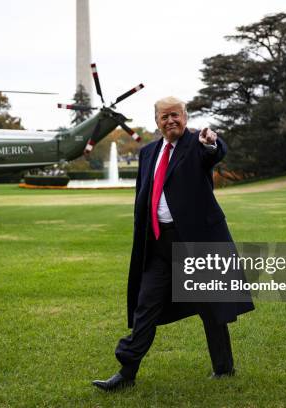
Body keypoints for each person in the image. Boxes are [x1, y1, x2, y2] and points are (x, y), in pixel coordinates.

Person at [92, 96, 255, 392]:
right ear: (157, 122)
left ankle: (223, 368)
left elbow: (214, 153)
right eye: (165, 117)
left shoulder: (196, 145)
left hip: (195, 243)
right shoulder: (148, 153)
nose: (171, 121)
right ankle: (126, 373)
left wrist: (210, 143)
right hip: (159, 245)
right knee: (145, 307)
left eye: (176, 115)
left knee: (210, 307)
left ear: (186, 117)